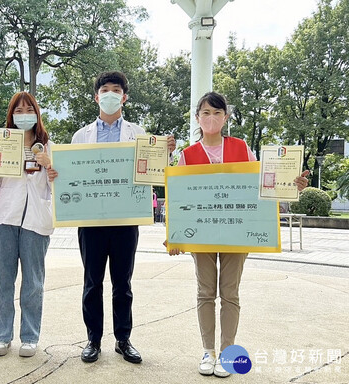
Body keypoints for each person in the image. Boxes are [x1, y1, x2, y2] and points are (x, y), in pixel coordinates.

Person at [168, 91, 309, 377]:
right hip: (202, 235)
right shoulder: (187, 155)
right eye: (205, 113)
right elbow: (177, 198)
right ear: (197, 118)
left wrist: (292, 187)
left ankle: (226, 352)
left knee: (229, 293)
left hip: (235, 231)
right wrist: (174, 236)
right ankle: (208, 352)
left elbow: (264, 187)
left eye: (217, 113)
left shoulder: (243, 149)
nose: (211, 118)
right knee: (205, 292)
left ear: (226, 117)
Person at [50, 71, 176, 364]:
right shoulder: (80, 136)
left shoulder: (139, 133)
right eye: (104, 90)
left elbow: (154, 172)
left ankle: (123, 339)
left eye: (115, 90)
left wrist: (165, 153)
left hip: (125, 220)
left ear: (124, 97)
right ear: (96, 97)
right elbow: (70, 175)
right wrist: (57, 172)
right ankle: (93, 339)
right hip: (90, 221)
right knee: (92, 282)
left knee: (123, 282)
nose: (110, 94)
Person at [0, 92, 54, 358]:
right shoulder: (2, 142)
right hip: (3, 220)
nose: (24, 114)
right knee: (3, 280)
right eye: (18, 110)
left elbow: (54, 187)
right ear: (11, 115)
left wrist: (49, 166)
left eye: (29, 109)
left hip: (36, 222)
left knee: (33, 283)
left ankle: (30, 336)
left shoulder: (47, 145)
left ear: (37, 113)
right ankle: (1, 336)